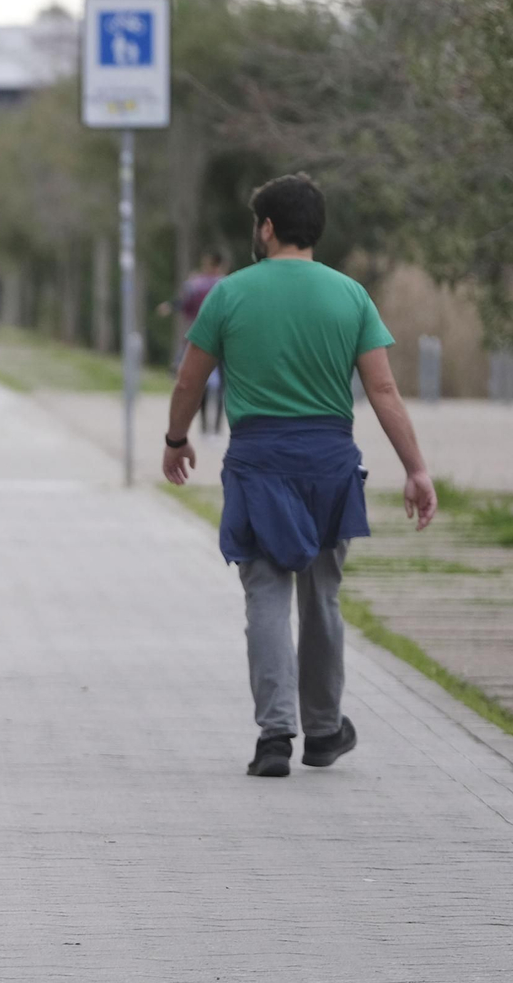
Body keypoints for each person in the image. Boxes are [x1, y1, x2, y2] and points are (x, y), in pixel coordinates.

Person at [162, 173, 436, 779]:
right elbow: (383, 388)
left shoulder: (230, 294)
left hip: (259, 462)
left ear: (267, 228)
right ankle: (323, 729)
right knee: (322, 598)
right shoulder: (350, 296)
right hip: (329, 463)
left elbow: (189, 379)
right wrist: (416, 469)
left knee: (265, 595)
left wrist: (177, 439)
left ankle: (275, 736)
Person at [160, 248, 230, 433]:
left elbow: (184, 302)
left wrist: (170, 306)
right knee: (222, 385)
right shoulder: (227, 284)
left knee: (201, 383)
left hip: (202, 340)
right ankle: (215, 428)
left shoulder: (196, 284)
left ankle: (206, 427)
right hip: (223, 340)